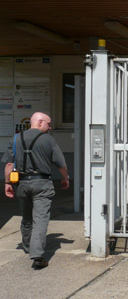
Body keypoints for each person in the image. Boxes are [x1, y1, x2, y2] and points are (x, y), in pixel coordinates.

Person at [3, 112, 69, 269]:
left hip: (22, 184)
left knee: (26, 216)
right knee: (40, 219)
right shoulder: (49, 140)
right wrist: (65, 178)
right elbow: (61, 164)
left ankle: (27, 246)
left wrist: (7, 183)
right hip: (42, 184)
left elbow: (8, 165)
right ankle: (37, 256)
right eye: (48, 123)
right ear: (39, 122)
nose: (50, 127)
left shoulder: (16, 139)